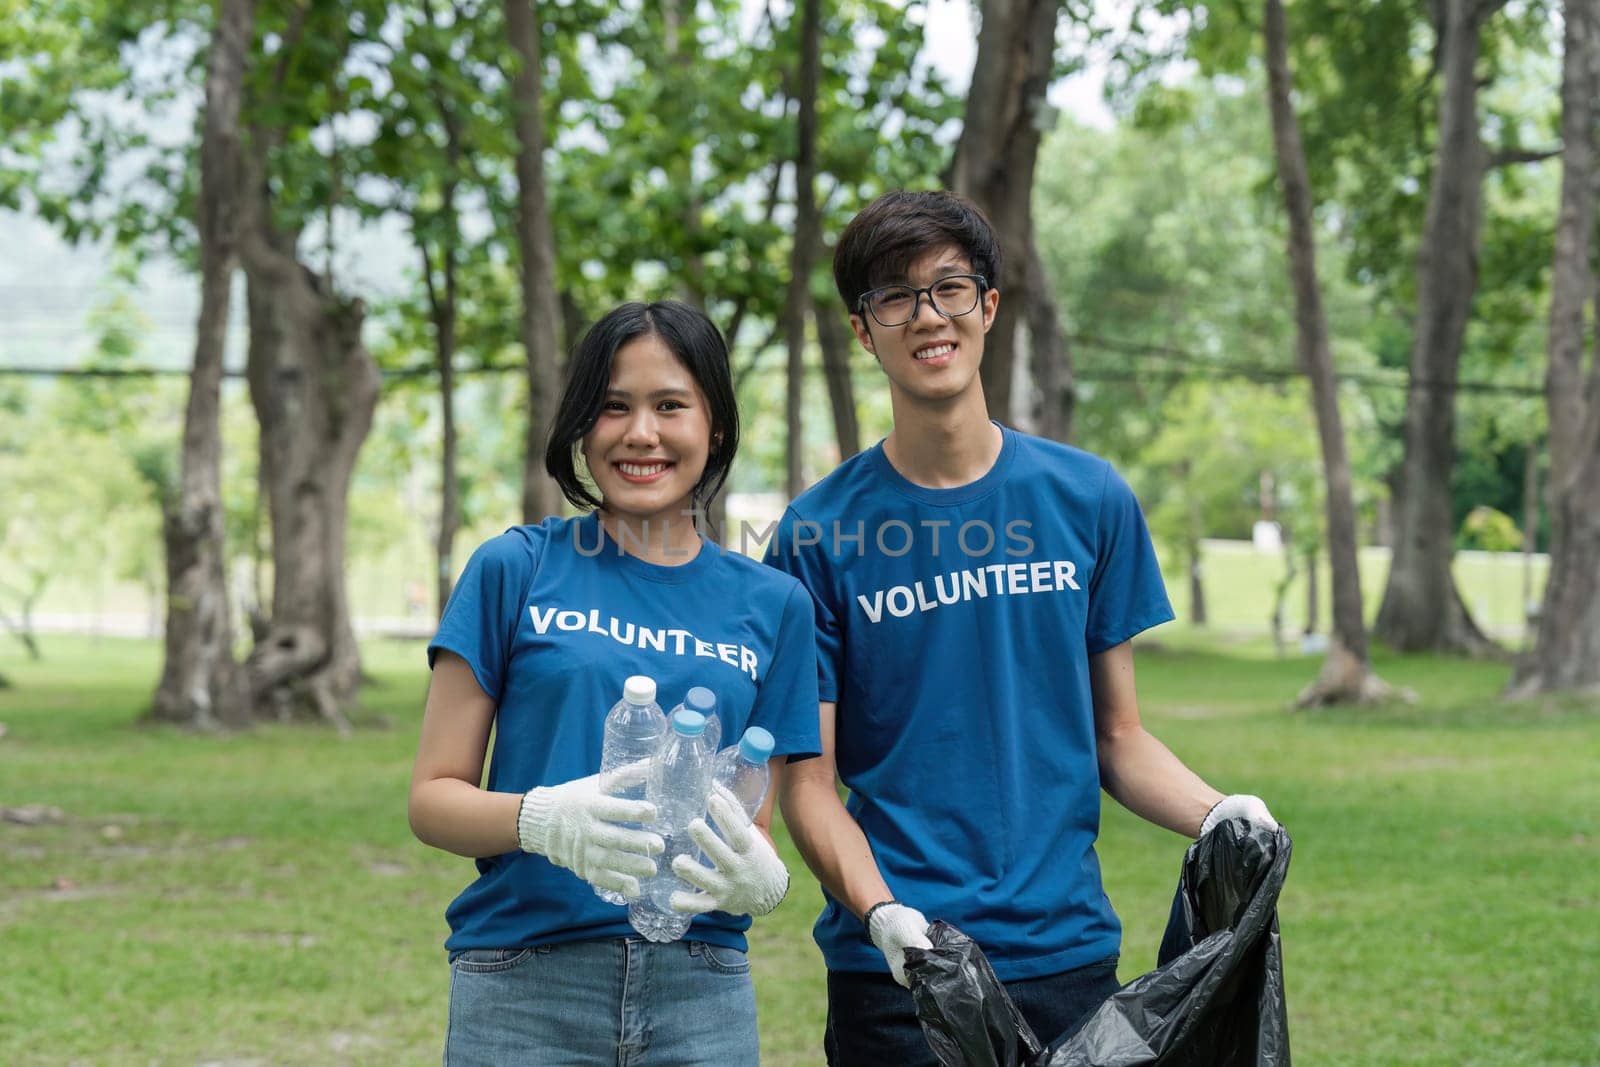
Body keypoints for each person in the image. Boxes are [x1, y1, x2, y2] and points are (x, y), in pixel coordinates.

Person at [764, 190, 1278, 1064]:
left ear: (988, 306)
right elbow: (807, 785)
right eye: (896, 297)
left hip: (1071, 959)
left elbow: (1117, 736)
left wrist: (1220, 812)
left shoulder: (1087, 499)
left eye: (950, 288)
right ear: (863, 331)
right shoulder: (818, 535)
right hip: (901, 978)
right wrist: (883, 913)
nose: (928, 316)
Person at [410, 300, 820, 1066]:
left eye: (671, 405)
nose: (641, 433)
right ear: (580, 426)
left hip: (703, 991)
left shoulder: (776, 606)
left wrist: (757, 874)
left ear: (716, 427)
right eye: (612, 407)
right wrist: (539, 818)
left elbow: (749, 814)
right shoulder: (514, 569)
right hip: (522, 985)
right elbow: (433, 799)